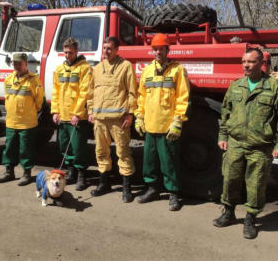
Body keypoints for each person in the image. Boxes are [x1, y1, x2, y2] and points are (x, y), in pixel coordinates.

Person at [213, 47, 278, 239]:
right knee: (230, 180)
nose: (246, 65)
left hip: (260, 146)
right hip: (235, 143)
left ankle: (250, 218)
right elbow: (226, 113)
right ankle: (229, 212)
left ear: (261, 64)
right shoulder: (236, 86)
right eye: (243, 62)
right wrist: (222, 136)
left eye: (250, 62)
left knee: (256, 184)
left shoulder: (274, 87)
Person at [134, 33, 190, 211]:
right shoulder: (147, 71)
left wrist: (178, 122)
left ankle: (173, 193)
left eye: (161, 49)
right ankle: (152, 189)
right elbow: (141, 96)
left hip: (168, 127)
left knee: (169, 162)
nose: (158, 52)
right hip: (150, 125)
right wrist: (139, 117)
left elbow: (183, 97)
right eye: (155, 49)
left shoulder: (177, 70)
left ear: (167, 49)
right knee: (149, 162)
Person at [87, 36, 137, 203]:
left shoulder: (125, 66)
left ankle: (126, 188)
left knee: (123, 153)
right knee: (101, 152)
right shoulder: (97, 68)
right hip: (100, 120)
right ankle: (104, 183)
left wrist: (130, 114)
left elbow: (132, 93)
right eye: (104, 48)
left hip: (119, 120)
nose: (106, 51)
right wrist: (90, 111)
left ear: (117, 50)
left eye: (109, 48)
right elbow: (91, 92)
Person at [0, 53, 44, 186]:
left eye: (19, 63)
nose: (16, 66)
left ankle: (26, 174)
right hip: (11, 121)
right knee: (9, 148)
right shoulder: (9, 79)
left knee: (26, 150)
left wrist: (30, 112)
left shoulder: (34, 80)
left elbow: (39, 101)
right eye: (14, 63)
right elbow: (7, 97)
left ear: (25, 64)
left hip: (27, 123)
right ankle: (8, 172)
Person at [51, 37, 93, 191]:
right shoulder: (60, 69)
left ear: (76, 51)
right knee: (64, 147)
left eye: (70, 52)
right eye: (65, 52)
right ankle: (71, 172)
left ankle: (82, 175)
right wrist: (55, 111)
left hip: (77, 118)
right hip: (62, 116)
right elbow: (55, 91)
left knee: (78, 148)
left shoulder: (85, 68)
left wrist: (77, 113)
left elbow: (85, 93)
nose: (67, 55)